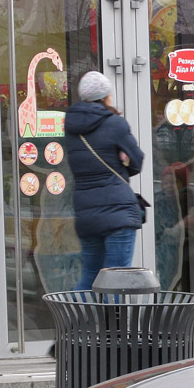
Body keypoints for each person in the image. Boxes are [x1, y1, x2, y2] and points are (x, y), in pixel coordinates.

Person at [65, 71, 145, 291]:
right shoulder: (116, 123)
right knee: (115, 280)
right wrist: (124, 160)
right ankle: (113, 327)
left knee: (90, 275)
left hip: (86, 213)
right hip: (118, 213)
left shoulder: (71, 128)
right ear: (105, 95)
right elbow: (137, 162)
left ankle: (74, 321)